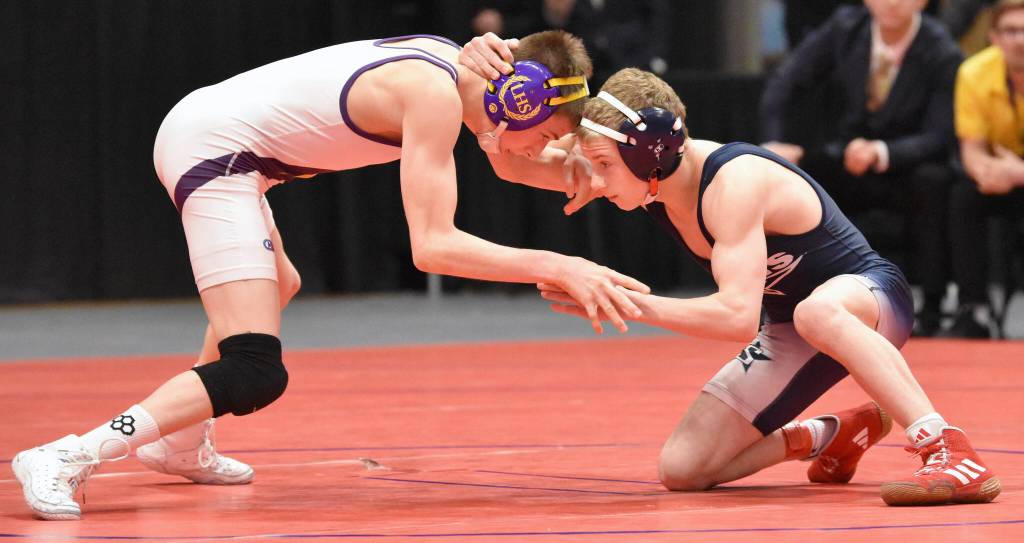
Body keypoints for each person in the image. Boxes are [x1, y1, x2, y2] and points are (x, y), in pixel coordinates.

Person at [11, 30, 652, 520]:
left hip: (228, 142)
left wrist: (587, 169)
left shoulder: (457, 73)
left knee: (280, 285)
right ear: (517, 97)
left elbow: (508, 156)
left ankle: (176, 443)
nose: (544, 148)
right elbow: (434, 247)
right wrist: (560, 263)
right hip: (214, 152)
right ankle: (67, 454)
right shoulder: (432, 96)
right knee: (254, 369)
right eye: (546, 133)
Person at [529, 67, 999, 505]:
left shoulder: (733, 182)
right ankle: (828, 435)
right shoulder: (643, 176)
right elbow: (518, 161)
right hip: (788, 327)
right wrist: (493, 101)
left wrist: (624, 302)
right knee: (683, 469)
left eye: (603, 164)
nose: (594, 180)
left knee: (816, 312)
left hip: (867, 300)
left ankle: (946, 446)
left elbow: (736, 317)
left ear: (649, 152)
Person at [759, 0, 963, 336]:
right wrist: (773, 144)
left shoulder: (942, 51)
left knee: (934, 182)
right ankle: (785, 300)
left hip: (908, 164)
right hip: (845, 155)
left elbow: (941, 134)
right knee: (793, 180)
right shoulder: (845, 28)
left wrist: (883, 152)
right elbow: (786, 80)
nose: (892, 2)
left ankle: (931, 304)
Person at [946, 0, 1024, 337]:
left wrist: (1018, 173)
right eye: (1011, 31)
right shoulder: (973, 72)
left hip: (1015, 173)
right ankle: (973, 308)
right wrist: (989, 173)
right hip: (997, 177)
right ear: (993, 37)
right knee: (963, 196)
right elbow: (972, 149)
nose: (1020, 40)